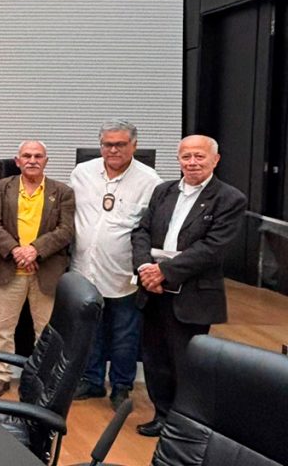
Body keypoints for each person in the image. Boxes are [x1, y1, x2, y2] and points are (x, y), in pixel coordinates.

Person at [130, 135, 245, 437]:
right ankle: (162, 415)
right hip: (152, 290)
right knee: (155, 359)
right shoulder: (163, 191)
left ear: (215, 160)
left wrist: (165, 272)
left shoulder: (229, 198)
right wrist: (145, 268)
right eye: (186, 157)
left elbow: (213, 248)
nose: (192, 163)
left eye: (199, 157)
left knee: (186, 364)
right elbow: (141, 231)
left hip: (191, 295)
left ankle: (186, 426)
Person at [70, 120, 162, 410]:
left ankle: (121, 387)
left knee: (125, 335)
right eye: (107, 144)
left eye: (120, 144)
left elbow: (151, 229)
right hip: (84, 268)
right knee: (91, 332)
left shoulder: (150, 181)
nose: (113, 150)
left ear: (134, 145)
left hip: (123, 273)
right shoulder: (82, 173)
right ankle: (92, 380)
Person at [0, 140, 75, 398]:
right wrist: (17, 251)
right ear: (17, 161)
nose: (32, 160)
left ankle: (41, 377)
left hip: (45, 270)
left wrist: (35, 250)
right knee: (3, 327)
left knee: (45, 330)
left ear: (46, 161)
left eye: (38, 156)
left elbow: (66, 230)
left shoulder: (62, 191)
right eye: (27, 155)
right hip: (9, 268)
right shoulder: (3, 187)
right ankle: (1, 376)